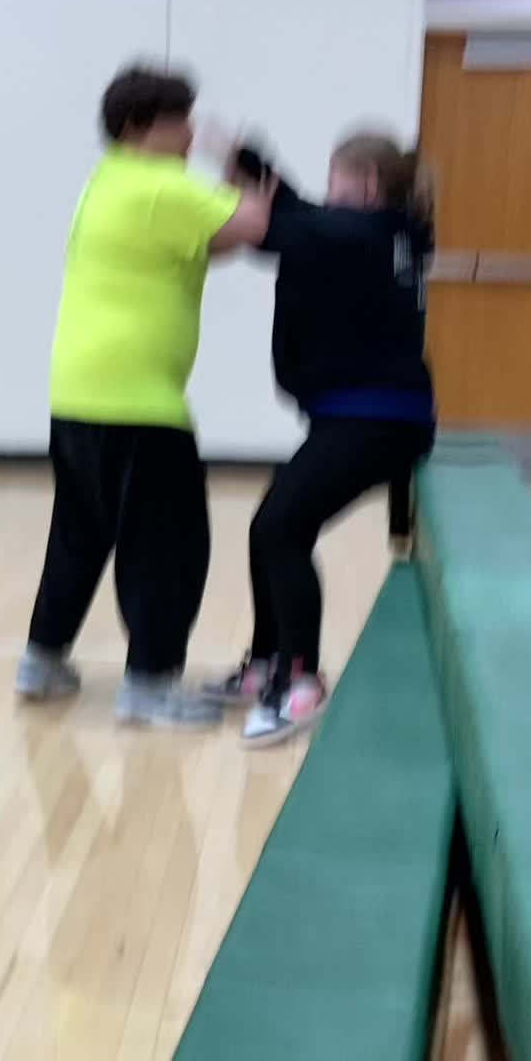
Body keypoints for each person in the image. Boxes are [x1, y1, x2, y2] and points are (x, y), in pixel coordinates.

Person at [16, 64, 276, 729]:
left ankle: (42, 662)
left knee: (81, 531)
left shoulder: (108, 183)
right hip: (138, 402)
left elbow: (209, 243)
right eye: (177, 121)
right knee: (169, 541)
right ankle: (152, 685)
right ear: (139, 128)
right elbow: (257, 224)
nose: (190, 132)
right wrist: (246, 164)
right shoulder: (161, 185)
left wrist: (227, 192)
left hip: (78, 393)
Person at [206, 131, 436, 748]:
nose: (328, 193)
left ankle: (300, 678)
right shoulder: (383, 233)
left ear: (365, 185)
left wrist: (253, 184)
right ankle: (266, 664)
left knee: (281, 528)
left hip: (378, 421)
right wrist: (259, 167)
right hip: (364, 417)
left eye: (338, 181)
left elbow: (293, 226)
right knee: (271, 524)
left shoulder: (366, 236)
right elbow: (304, 215)